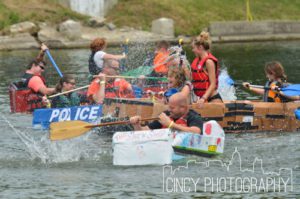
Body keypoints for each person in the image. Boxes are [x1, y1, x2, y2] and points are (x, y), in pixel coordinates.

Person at [130, 93, 203, 134]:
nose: (169, 109)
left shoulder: (194, 117)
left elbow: (196, 132)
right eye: (169, 107)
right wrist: (136, 125)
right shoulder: (165, 115)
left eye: (172, 108)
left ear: (183, 108)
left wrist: (170, 124)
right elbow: (144, 131)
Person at [191, 31, 222, 107]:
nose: (193, 50)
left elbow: (213, 84)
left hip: (213, 98)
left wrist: (203, 98)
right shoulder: (197, 61)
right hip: (202, 99)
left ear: (200, 47)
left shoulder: (209, 62)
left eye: (193, 48)